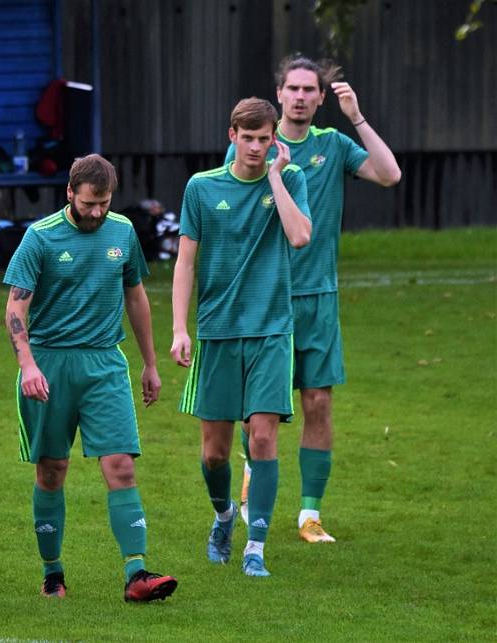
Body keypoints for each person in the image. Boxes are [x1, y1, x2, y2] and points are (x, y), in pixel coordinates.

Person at [225, 55, 401, 543]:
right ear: (278, 94)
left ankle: (309, 515)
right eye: (293, 88)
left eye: (310, 90)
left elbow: (390, 175)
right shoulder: (255, 144)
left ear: (322, 99)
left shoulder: (333, 145)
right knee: (261, 412)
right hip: (265, 299)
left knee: (318, 403)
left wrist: (358, 118)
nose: (301, 96)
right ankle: (251, 470)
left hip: (318, 296)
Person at [4, 153, 177, 602]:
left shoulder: (122, 232)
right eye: (88, 204)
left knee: (120, 466)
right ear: (69, 193)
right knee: (52, 469)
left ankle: (137, 575)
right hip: (50, 364)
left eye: (103, 203)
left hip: (104, 365)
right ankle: (52, 573)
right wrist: (28, 365)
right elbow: (16, 308)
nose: (97, 212)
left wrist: (150, 363)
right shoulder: (39, 238)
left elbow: (136, 298)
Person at [171, 98, 312, 577]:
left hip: (273, 329)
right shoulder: (202, 188)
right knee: (213, 452)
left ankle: (256, 547)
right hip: (218, 331)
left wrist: (275, 177)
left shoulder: (290, 179)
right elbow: (185, 261)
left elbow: (299, 237)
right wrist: (178, 328)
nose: (256, 146)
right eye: (247, 138)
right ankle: (224, 516)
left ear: (275, 138)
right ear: (231, 135)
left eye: (264, 138)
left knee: (264, 437)